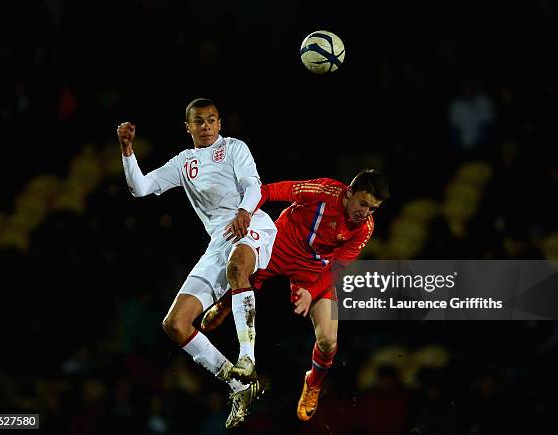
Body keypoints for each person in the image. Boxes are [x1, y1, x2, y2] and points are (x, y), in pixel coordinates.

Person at [117, 98, 277, 428]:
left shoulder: (234, 148)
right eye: (198, 121)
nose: (205, 126)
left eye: (211, 120)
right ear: (187, 127)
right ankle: (239, 385)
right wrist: (127, 151)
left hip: (252, 224)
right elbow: (141, 187)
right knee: (175, 324)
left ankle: (247, 357)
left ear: (220, 124)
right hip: (219, 242)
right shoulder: (183, 162)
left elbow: (253, 185)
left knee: (237, 268)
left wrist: (244, 212)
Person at [202, 169, 390, 421]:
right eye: (363, 203)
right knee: (241, 269)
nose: (365, 213)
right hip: (281, 243)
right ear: (349, 193)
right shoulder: (322, 191)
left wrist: (311, 292)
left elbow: (337, 269)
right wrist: (245, 214)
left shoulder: (364, 228)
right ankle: (226, 302)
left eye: (373, 208)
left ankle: (313, 381)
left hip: (314, 269)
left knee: (329, 342)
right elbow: (267, 191)